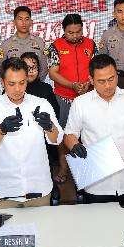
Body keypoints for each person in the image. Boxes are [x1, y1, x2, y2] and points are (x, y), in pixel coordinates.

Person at [63, 54, 124, 203]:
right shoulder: (80, 103)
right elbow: (69, 135)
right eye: (101, 81)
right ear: (91, 80)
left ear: (117, 75)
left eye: (111, 79)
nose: (108, 85)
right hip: (96, 184)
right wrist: (74, 145)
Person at [0, 58, 63, 208]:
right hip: (6, 191)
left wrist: (49, 126)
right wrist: (1, 129)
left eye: (22, 83)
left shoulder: (41, 104)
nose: (17, 89)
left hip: (39, 189)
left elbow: (57, 139)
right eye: (11, 84)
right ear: (2, 82)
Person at [47, 13, 96, 182]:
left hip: (88, 96)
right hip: (64, 98)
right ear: (64, 31)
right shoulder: (55, 46)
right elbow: (53, 73)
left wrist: (88, 84)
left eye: (78, 31)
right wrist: (72, 85)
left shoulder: (90, 44)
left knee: (89, 133)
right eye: (70, 32)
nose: (75, 36)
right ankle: (63, 168)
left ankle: (88, 168)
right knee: (63, 135)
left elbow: (95, 70)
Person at [21, 51, 60, 176]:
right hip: (20, 140)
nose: (31, 71)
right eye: (27, 68)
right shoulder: (14, 90)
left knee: (45, 170)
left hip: (43, 139)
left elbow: (55, 113)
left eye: (34, 67)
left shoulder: (46, 89)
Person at [0, 6, 49, 81]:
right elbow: (1, 68)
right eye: (20, 19)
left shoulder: (40, 42)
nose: (24, 23)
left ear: (31, 22)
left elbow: (44, 66)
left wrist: (37, 82)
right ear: (14, 22)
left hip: (35, 84)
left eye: (27, 19)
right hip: (15, 85)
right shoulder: (5, 44)